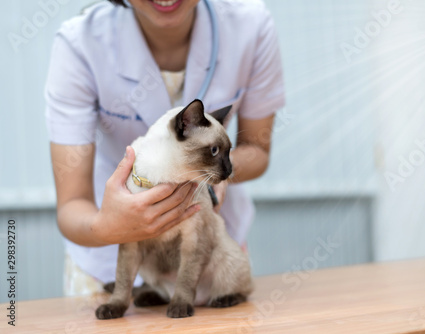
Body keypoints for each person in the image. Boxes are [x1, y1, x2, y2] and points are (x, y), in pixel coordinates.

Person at [45, 0, 285, 296]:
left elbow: (258, 151)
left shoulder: (252, 25)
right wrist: (109, 227)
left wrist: (213, 175)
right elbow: (71, 206)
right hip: (106, 260)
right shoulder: (78, 43)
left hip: (206, 249)